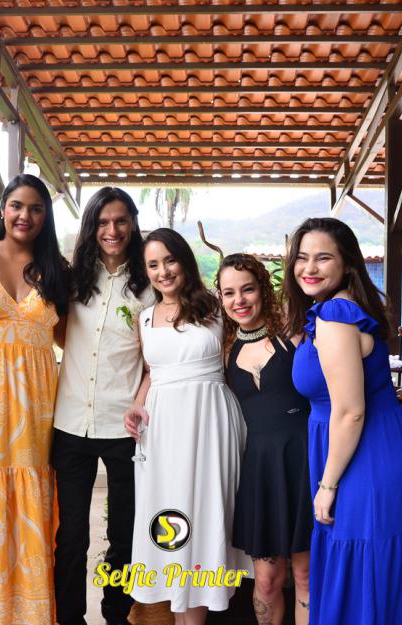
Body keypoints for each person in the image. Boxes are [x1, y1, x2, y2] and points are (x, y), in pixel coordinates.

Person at [287, 217, 402, 625]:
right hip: (375, 447)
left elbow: (350, 410)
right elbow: (365, 385)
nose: (309, 267)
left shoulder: (336, 314)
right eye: (302, 257)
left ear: (347, 264)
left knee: (363, 576)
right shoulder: (337, 311)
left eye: (323, 258)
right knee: (383, 579)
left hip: (365, 458)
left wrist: (327, 485)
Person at [0, 174, 70, 625]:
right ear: (3, 208)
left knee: (31, 508)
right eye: (17, 205)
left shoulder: (56, 269)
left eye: (36, 208)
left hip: (35, 413)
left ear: (46, 217)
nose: (25, 215)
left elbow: (73, 340)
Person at [124, 229, 246, 625]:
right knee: (171, 520)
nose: (163, 271)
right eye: (153, 265)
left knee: (206, 517)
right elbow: (152, 372)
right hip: (162, 430)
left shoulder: (217, 306)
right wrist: (137, 405)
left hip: (210, 422)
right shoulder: (145, 318)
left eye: (169, 260)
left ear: (184, 261)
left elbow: (251, 347)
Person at [52, 187, 152, 625]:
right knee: (72, 532)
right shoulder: (72, 279)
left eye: (121, 220)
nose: (112, 230)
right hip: (71, 421)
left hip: (124, 426)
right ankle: (70, 617)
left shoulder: (148, 285)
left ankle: (116, 613)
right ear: (91, 226)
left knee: (123, 532)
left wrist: (138, 402)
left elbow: (153, 359)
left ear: (133, 223)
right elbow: (58, 332)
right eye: (103, 222)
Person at [216, 253, 311, 625]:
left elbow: (337, 379)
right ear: (221, 298)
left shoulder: (294, 335)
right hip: (259, 470)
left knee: (305, 574)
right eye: (229, 293)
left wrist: (392, 393)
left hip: (303, 463)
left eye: (248, 289)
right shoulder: (223, 349)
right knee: (267, 580)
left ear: (263, 290)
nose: (239, 300)